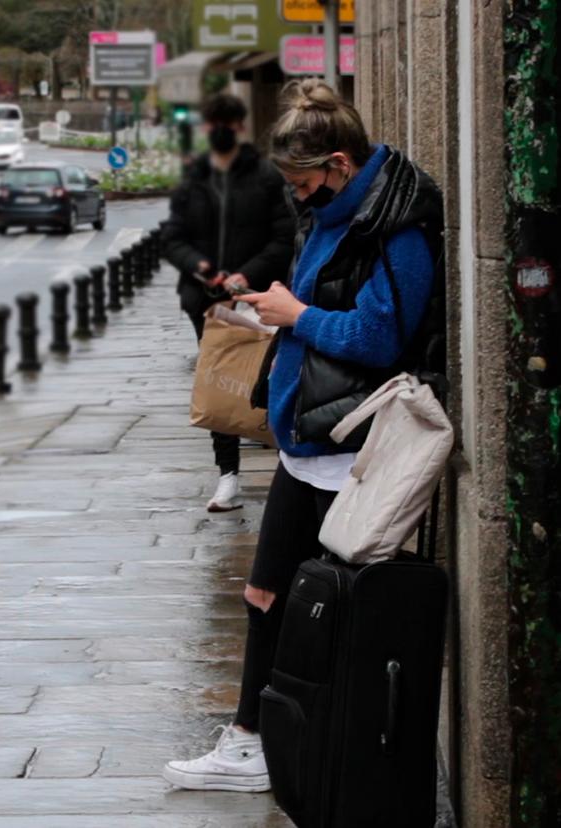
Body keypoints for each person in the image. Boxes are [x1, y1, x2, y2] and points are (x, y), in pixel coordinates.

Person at [162, 79, 444, 791]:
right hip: (306, 443)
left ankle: (310, 748)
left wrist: (296, 315)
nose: (296, 194)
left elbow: (383, 338)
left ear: (341, 165)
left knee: (331, 610)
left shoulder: (393, 229)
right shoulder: (339, 214)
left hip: (349, 448)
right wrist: (271, 312)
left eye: (303, 180)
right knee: (263, 595)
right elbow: (317, 308)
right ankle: (251, 741)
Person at [162, 93, 294, 513]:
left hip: (256, 297)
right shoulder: (193, 178)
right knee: (218, 383)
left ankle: (286, 465)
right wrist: (199, 266)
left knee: (268, 380)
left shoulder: (264, 176)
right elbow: (172, 237)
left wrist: (247, 273)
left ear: (239, 127)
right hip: (207, 302)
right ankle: (228, 475)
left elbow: (283, 235)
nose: (218, 130)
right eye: (212, 122)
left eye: (226, 123)